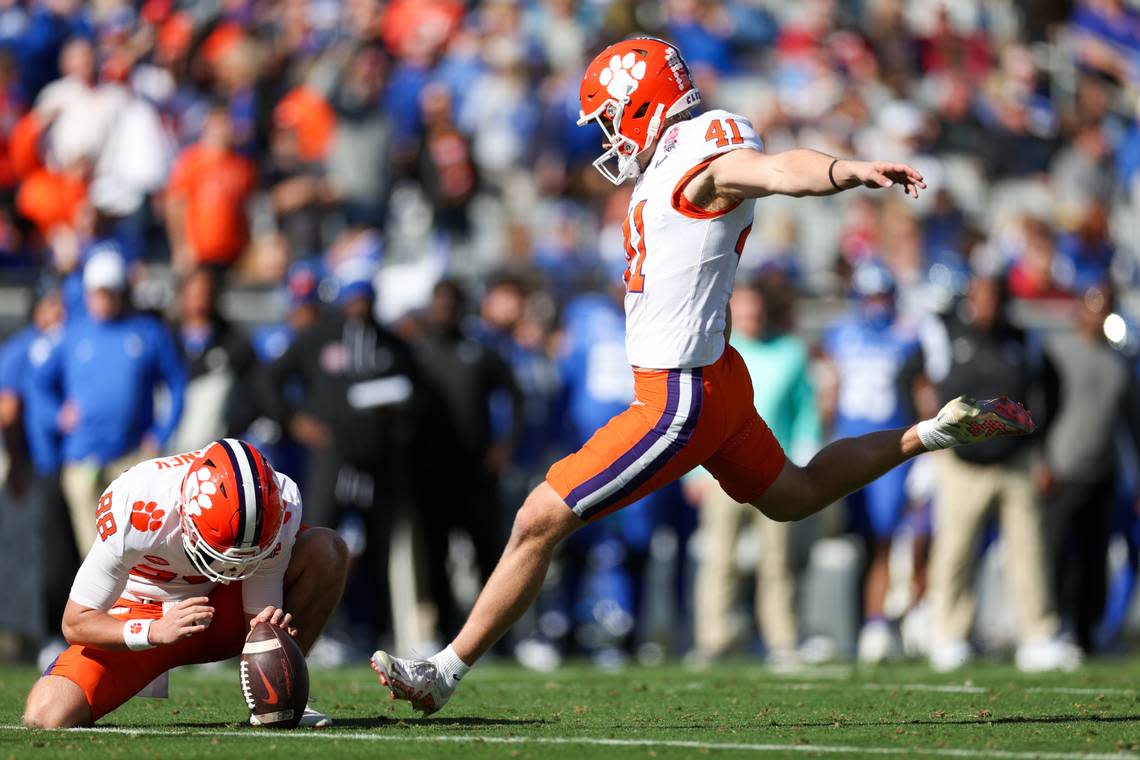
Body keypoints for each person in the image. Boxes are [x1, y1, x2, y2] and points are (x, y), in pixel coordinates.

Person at [371, 37, 1032, 715]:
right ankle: (934, 431)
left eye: (609, 117)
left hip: (677, 394)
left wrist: (844, 170)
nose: (606, 136)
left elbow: (774, 170)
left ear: (642, 102)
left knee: (539, 516)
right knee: (795, 493)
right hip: (715, 375)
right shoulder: (676, 159)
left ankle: (443, 671)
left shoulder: (700, 158)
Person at [21, 438, 349, 728]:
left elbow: (258, 606)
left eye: (244, 558)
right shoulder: (138, 505)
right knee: (47, 713)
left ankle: (281, 698)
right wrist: (151, 632)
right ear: (186, 515)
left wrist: (270, 638)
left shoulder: (282, 503)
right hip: (144, 613)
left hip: (220, 609)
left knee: (326, 550)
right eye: (219, 555)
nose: (230, 568)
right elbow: (75, 622)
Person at [923, 274, 1080, 672]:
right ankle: (948, 634)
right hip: (961, 463)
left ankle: (1037, 634)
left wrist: (1038, 442)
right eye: (979, 297)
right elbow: (915, 379)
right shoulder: (946, 336)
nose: (986, 305)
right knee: (954, 551)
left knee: (1028, 549)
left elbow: (1052, 390)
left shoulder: (1023, 339)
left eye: (993, 296)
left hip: (1015, 461)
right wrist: (931, 437)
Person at [688, 275, 819, 666]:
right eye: (741, 306)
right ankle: (712, 639)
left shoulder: (791, 352)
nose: (749, 313)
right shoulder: (713, 351)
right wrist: (693, 474)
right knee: (718, 559)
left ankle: (781, 640)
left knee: (777, 562)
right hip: (718, 473)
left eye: (754, 305)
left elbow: (805, 414)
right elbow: (697, 412)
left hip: (774, 471)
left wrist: (804, 461)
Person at [50, 250, 187, 557]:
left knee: (135, 549)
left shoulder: (148, 333)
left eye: (110, 292)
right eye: (98, 293)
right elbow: (39, 380)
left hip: (130, 458)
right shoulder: (72, 334)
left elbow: (177, 384)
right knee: (94, 555)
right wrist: (57, 413)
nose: (103, 300)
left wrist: (161, 434)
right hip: (82, 457)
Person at [819, 260, 922, 663]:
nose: (877, 304)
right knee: (851, 540)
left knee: (885, 540)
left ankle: (878, 622)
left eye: (883, 295)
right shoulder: (840, 334)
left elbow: (919, 394)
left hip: (889, 450)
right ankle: (852, 626)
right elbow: (829, 394)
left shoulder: (909, 336)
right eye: (871, 295)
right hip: (845, 445)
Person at [1042, 284, 1140, 653]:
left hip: (1104, 471)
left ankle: (1088, 631)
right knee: (1057, 552)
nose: (1099, 313)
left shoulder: (1120, 361)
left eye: (1107, 307)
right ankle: (1055, 625)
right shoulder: (1058, 351)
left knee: (1095, 556)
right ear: (1081, 308)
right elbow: (1043, 412)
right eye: (1094, 305)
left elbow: (1132, 422)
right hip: (1062, 467)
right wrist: (1042, 461)